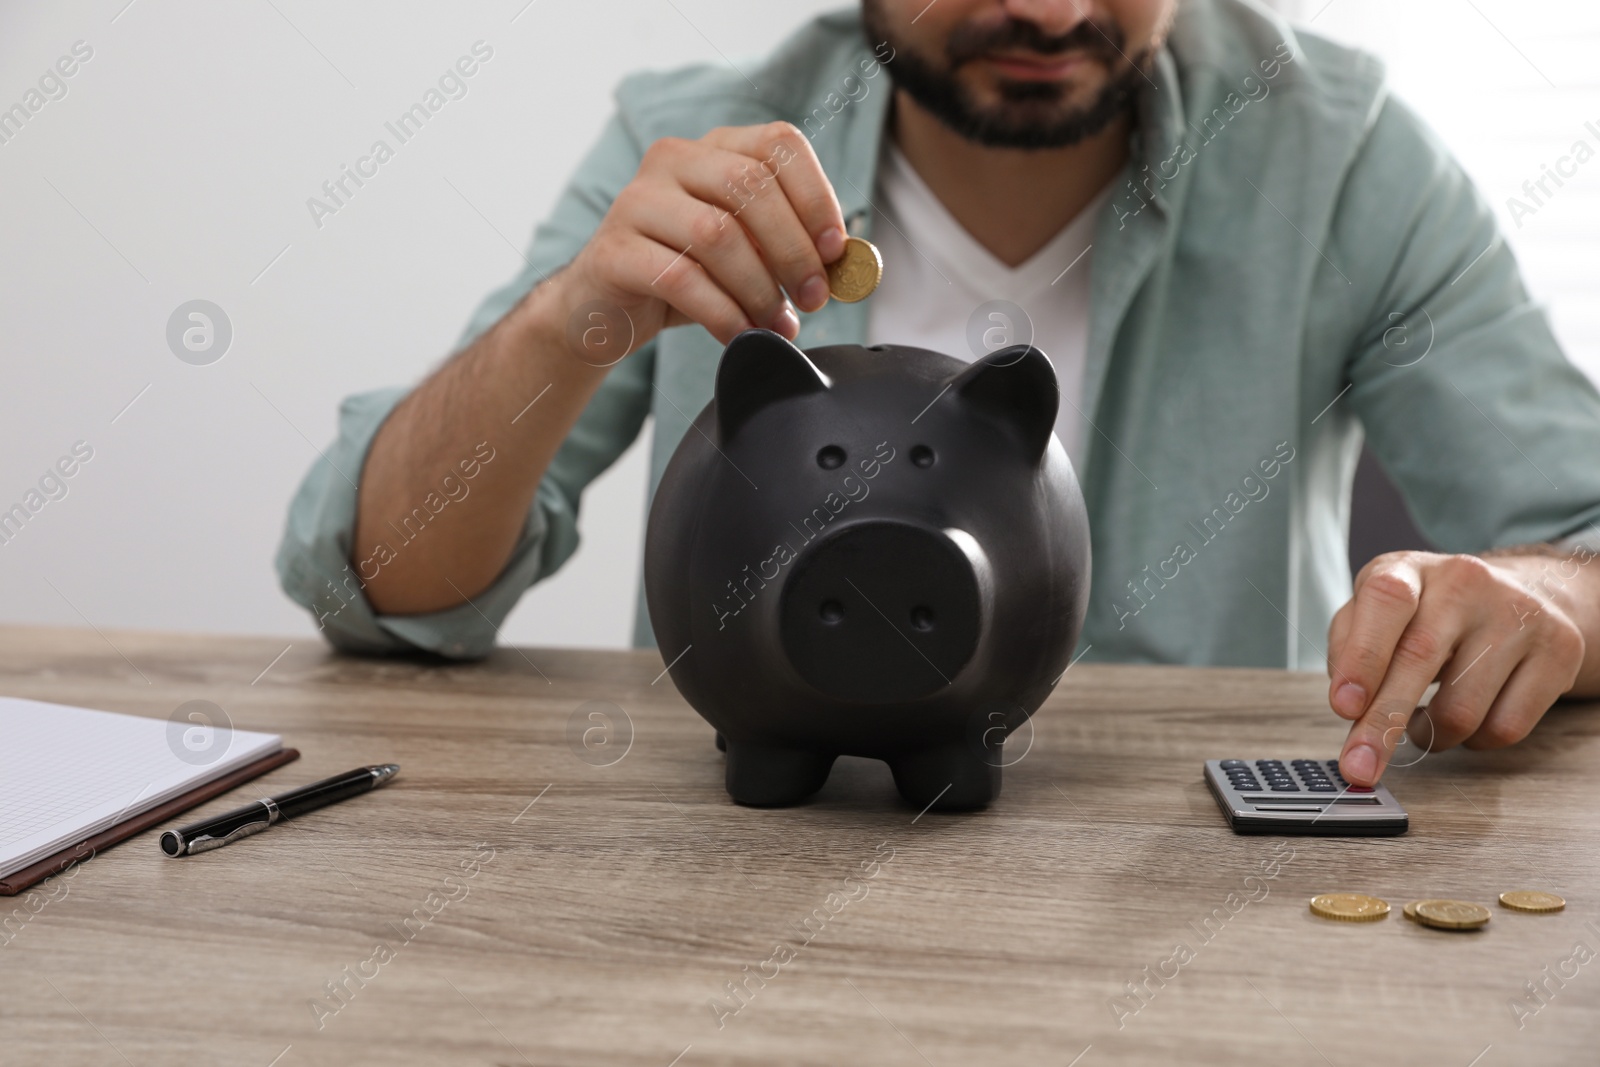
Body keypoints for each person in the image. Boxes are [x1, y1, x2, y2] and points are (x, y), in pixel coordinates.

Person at [275, 0, 1600, 788]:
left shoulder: (1346, 160)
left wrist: (1545, 600)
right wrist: (566, 325)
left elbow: (1587, 531)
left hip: (1175, 890)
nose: (1049, 6)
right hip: (739, 900)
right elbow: (372, 587)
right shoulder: (687, 149)